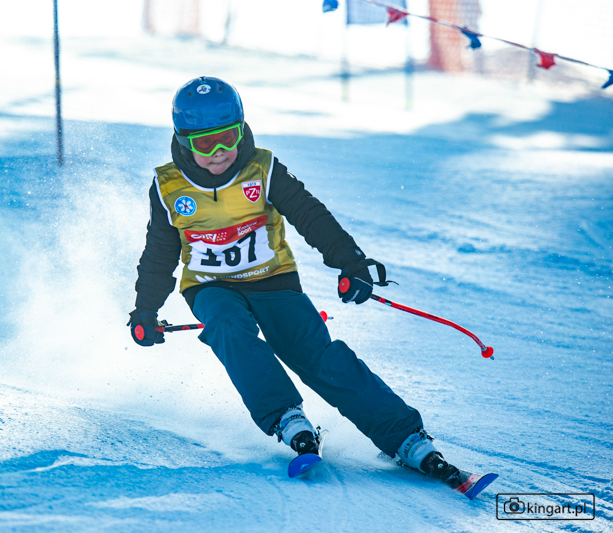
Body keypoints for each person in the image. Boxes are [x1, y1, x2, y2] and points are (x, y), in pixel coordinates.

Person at [128, 76, 452, 479]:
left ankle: (404, 436)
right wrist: (146, 309)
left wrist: (350, 263)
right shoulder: (168, 187)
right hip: (211, 287)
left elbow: (308, 214)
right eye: (205, 143)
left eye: (228, 138)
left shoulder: (263, 169)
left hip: (274, 280)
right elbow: (160, 252)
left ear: (242, 129)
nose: (219, 152)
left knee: (317, 355)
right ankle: (286, 416)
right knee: (227, 326)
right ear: (183, 141)